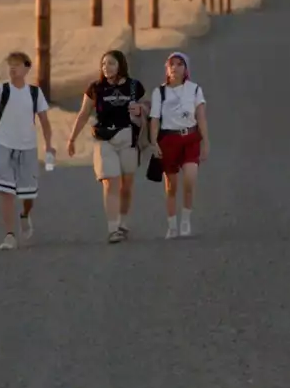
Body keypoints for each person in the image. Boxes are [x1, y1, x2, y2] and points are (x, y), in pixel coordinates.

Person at [66, 49, 147, 243]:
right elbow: (84, 113)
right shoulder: (96, 88)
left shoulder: (134, 86)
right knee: (110, 182)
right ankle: (113, 228)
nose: (106, 67)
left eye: (110, 63)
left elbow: (147, 109)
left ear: (120, 65)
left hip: (128, 138)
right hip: (104, 140)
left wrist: (141, 109)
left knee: (126, 185)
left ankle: (123, 223)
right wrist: (72, 139)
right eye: (103, 64)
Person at [0, 51, 53, 250]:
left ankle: (25, 214)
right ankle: (9, 235)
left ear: (27, 69)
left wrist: (48, 144)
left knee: (28, 193)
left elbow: (44, 121)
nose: (13, 68)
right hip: (4, 144)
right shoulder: (3, 89)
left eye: (17, 65)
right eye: (10, 65)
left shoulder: (34, 93)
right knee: (6, 191)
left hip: (27, 147)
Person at [148, 51, 208, 239]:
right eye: (171, 64)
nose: (175, 67)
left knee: (189, 179)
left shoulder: (195, 89)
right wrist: (154, 142)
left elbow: (201, 117)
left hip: (190, 138)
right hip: (169, 140)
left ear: (186, 68)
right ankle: (172, 224)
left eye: (179, 64)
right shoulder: (160, 92)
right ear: (167, 68)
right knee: (171, 185)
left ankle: (186, 221)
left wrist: (206, 141)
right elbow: (155, 119)